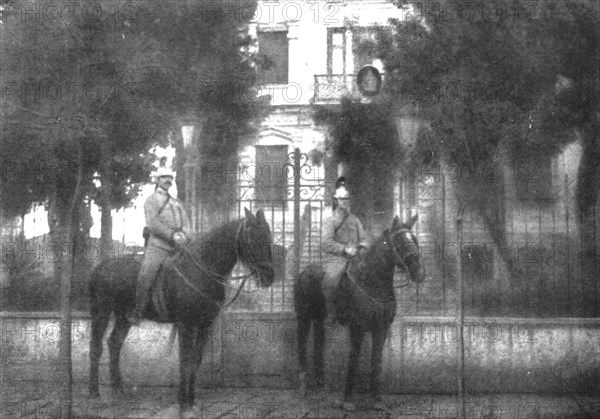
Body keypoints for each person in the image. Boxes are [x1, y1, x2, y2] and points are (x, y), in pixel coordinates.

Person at [128, 167, 191, 325]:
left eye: (170, 177)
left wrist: (185, 234)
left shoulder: (176, 203)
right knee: (146, 274)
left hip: (179, 247)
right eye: (164, 177)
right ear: (157, 180)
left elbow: (186, 222)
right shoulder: (151, 200)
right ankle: (138, 311)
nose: (168, 180)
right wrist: (172, 235)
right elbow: (153, 223)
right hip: (158, 246)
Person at [322, 177, 368, 317]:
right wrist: (344, 249)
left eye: (347, 199)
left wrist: (362, 247)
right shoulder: (330, 221)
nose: (345, 202)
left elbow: (364, 238)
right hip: (336, 260)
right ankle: (331, 314)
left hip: (355, 259)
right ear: (336, 200)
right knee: (331, 282)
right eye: (342, 199)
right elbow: (326, 243)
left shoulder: (355, 220)